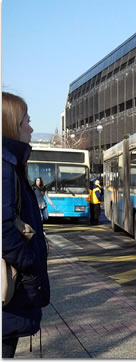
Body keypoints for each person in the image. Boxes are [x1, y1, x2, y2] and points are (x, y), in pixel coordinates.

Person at [2, 92, 50, 358]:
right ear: (10, 124)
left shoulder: (11, 164)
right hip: (9, 295)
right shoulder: (4, 167)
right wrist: (30, 263)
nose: (31, 128)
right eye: (26, 122)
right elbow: (3, 229)